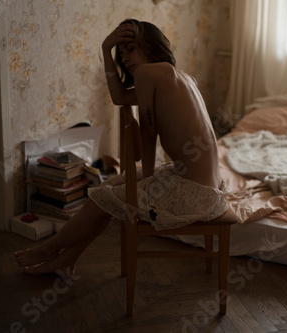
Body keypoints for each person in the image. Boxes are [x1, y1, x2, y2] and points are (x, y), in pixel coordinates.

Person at [14, 19, 230, 276]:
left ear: (150, 46)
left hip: (194, 192)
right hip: (205, 184)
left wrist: (147, 183)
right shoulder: (174, 75)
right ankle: (67, 259)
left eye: (130, 49)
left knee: (102, 198)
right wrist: (106, 49)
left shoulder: (150, 73)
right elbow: (119, 98)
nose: (124, 59)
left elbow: (148, 135)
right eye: (120, 52)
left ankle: (48, 250)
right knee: (106, 188)